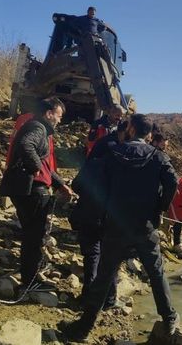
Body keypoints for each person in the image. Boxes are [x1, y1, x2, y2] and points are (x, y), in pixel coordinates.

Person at [59, 114, 179, 342]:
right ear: (150, 134)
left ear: (131, 129)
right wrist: (160, 207)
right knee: (156, 273)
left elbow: (89, 182)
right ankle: (169, 317)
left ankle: (83, 328)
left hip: (115, 225)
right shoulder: (158, 156)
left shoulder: (114, 154)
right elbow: (172, 181)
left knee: (105, 275)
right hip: (145, 226)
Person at [0, 97, 73, 292]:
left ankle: (29, 274)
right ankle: (30, 281)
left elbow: (47, 165)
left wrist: (60, 184)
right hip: (31, 190)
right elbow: (25, 145)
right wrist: (35, 167)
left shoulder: (40, 129)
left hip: (26, 189)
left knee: (32, 235)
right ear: (49, 113)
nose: (60, 120)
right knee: (34, 237)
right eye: (59, 116)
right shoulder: (38, 128)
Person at [69, 120, 128, 309]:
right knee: (110, 257)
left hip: (88, 213)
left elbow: (76, 185)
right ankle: (109, 299)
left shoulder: (93, 161)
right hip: (109, 217)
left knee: (92, 256)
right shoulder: (123, 165)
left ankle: (88, 297)